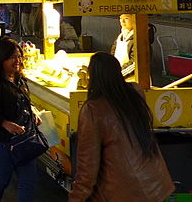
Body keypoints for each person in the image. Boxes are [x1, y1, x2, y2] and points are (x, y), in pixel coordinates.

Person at [69, 52, 174, 202]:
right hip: (156, 185)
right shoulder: (135, 93)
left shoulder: (93, 110)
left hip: (124, 192)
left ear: (93, 76)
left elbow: (87, 167)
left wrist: (76, 198)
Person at [0, 38, 39, 202]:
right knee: (2, 178)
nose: (17, 61)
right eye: (12, 57)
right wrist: (4, 123)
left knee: (28, 181)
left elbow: (23, 100)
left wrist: (32, 111)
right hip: (2, 140)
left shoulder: (19, 77)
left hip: (24, 139)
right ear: (1, 59)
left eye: (19, 56)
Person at [111, 13, 136, 78]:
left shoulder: (138, 39)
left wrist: (118, 75)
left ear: (134, 20)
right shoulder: (120, 37)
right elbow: (112, 56)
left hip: (133, 80)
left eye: (126, 18)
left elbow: (135, 64)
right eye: (121, 19)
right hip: (119, 77)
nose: (123, 22)